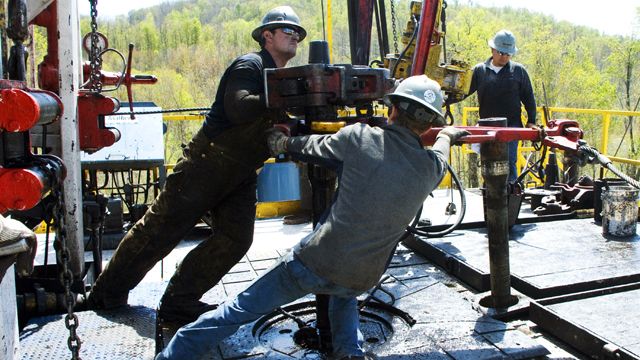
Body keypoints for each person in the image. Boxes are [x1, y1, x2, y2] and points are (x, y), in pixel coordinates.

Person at [155, 75, 470, 360]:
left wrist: (282, 141)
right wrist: (450, 134)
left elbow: (307, 146)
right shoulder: (431, 168)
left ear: (392, 110)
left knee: (239, 310)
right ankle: (349, 353)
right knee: (343, 292)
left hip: (316, 262)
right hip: (363, 275)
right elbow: (441, 149)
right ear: (428, 125)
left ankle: (171, 356)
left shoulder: (360, 137)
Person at [87, 5, 308, 325]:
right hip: (205, 164)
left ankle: (180, 300)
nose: (295, 37)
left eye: (298, 34)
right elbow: (238, 107)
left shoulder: (280, 79)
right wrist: (287, 99)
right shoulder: (250, 65)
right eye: (287, 31)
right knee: (159, 233)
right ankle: (105, 297)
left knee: (236, 238)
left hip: (241, 172)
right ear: (267, 36)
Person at [466, 29, 537, 182]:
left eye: (508, 54)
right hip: (487, 128)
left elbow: (529, 97)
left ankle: (511, 195)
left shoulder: (518, 71)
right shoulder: (479, 71)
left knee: (509, 162)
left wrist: (532, 120)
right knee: (489, 164)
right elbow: (464, 91)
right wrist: (444, 100)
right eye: (501, 52)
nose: (504, 57)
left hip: (511, 128)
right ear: (492, 49)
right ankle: (490, 195)